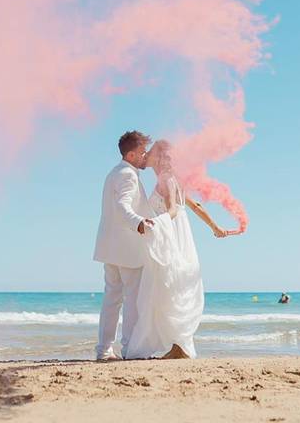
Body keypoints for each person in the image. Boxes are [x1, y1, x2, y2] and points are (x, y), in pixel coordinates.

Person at [125, 140, 231, 360]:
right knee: (173, 289)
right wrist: (215, 227)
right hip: (183, 239)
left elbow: (173, 209)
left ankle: (177, 346)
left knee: (165, 289)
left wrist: (156, 224)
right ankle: (178, 345)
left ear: (159, 158)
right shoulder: (174, 179)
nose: (146, 156)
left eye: (150, 153)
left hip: (170, 238)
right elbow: (194, 207)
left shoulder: (166, 180)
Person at [93, 130, 155, 361]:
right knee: (132, 300)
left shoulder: (114, 172)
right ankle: (129, 349)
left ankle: (104, 349)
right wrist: (138, 222)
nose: (145, 156)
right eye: (142, 152)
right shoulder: (128, 175)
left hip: (110, 247)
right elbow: (122, 205)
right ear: (130, 155)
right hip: (127, 248)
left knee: (112, 300)